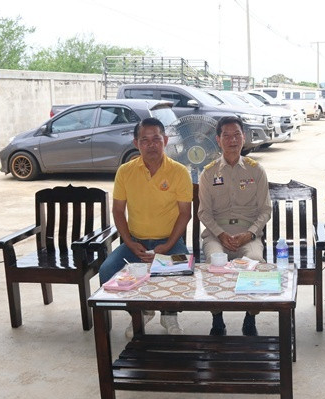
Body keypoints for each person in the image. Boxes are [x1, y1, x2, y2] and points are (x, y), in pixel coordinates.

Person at [98, 117, 193, 338]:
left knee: (184, 270)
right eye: (145, 140)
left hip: (169, 242)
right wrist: (130, 243)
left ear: (165, 141)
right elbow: (118, 211)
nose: (151, 145)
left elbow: (185, 213)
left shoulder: (179, 172)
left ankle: (169, 314)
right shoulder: (125, 171)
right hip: (135, 243)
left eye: (156, 139)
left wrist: (167, 246)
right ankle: (140, 312)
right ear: (136, 143)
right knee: (107, 272)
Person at [198, 116, 271, 336]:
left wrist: (250, 234)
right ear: (218, 140)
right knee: (214, 261)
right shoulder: (209, 172)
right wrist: (220, 235)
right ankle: (217, 319)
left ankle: (250, 317)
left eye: (237, 135)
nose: (232, 140)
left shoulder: (255, 170)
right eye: (226, 136)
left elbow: (265, 210)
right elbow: (204, 212)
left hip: (247, 234)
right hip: (216, 235)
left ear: (244, 137)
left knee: (255, 261)